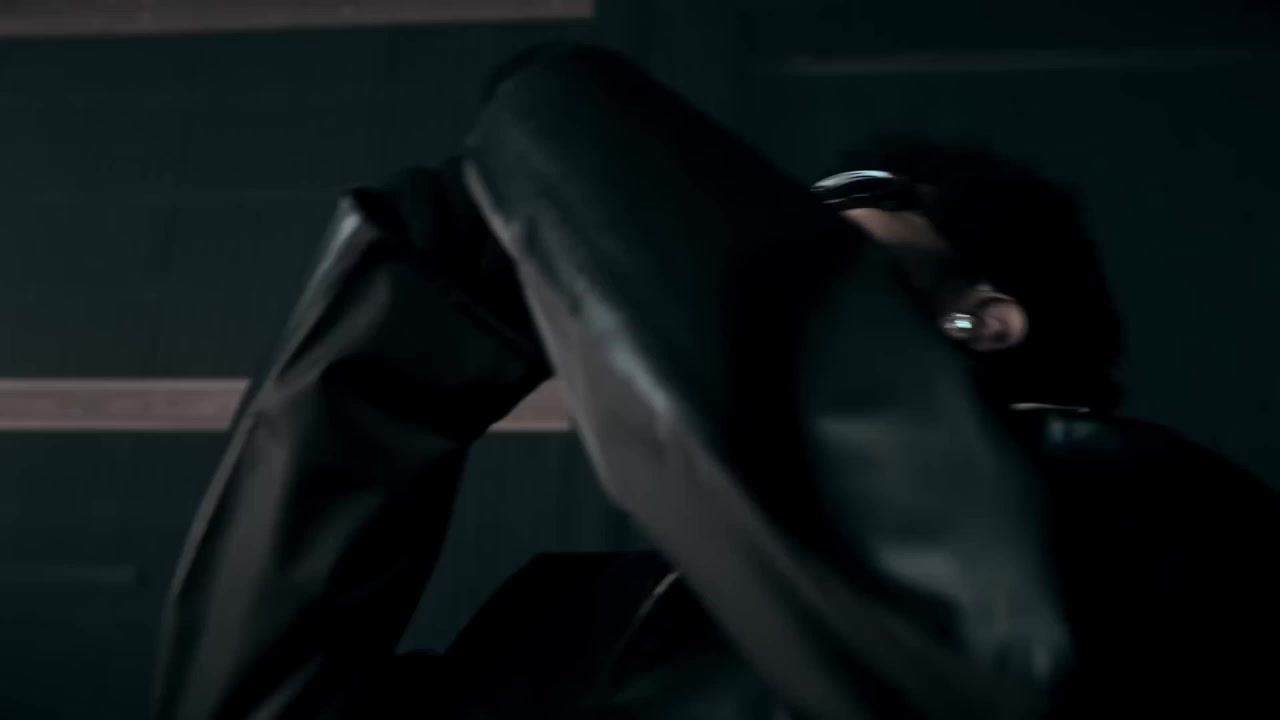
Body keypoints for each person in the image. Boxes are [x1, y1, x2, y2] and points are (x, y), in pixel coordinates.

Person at [152, 47, 1279, 720]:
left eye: (834, 226)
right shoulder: (565, 614)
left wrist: (559, 120)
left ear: (983, 317)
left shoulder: (1141, 509)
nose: (771, 239)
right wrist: (415, 296)